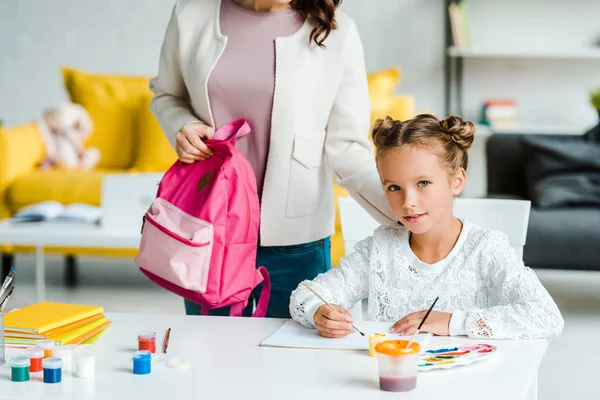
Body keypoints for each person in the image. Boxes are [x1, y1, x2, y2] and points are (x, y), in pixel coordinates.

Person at [149, 0, 395, 318]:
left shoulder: (337, 30)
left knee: (294, 360)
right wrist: (182, 124)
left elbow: (348, 148)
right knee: (210, 357)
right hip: (209, 233)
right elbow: (167, 95)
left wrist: (404, 211)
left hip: (297, 241)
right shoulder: (190, 15)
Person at [290, 114, 565, 339]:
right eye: (394, 187)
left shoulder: (486, 248)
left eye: (423, 183)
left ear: (456, 181)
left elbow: (546, 315)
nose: (408, 202)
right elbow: (305, 295)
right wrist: (319, 311)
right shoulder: (380, 249)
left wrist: (449, 322)